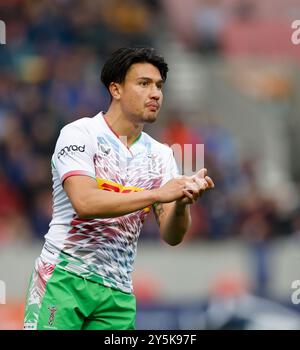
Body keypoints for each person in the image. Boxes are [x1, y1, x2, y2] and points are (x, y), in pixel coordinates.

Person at [23, 47, 215, 330]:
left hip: (118, 294)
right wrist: (157, 194)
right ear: (116, 89)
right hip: (63, 278)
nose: (156, 94)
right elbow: (85, 202)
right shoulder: (80, 134)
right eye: (144, 83)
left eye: (159, 86)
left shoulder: (161, 155)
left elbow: (172, 236)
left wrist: (183, 202)